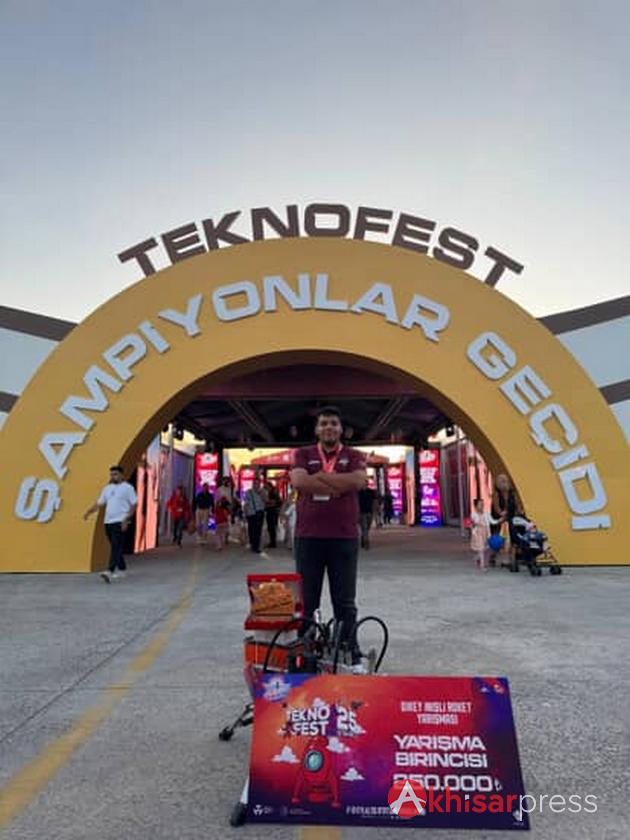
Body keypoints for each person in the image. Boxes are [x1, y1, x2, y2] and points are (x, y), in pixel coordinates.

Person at [290, 406, 367, 666]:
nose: (329, 427)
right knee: (306, 600)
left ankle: (348, 650)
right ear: (316, 429)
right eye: (323, 423)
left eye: (334, 423)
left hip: (344, 538)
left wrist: (320, 478)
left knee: (345, 601)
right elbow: (299, 482)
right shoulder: (303, 454)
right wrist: (338, 484)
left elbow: (358, 481)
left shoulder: (354, 455)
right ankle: (305, 650)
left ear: (341, 429)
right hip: (308, 538)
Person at [83, 465, 137, 583]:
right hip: (108, 521)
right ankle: (122, 569)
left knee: (116, 545)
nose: (113, 477)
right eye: (112, 475)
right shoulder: (107, 488)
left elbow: (134, 504)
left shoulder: (128, 488)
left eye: (115, 474)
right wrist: (88, 512)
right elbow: (99, 503)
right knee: (115, 546)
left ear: (121, 475)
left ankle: (110, 570)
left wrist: (126, 519)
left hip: (120, 521)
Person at [491, 474, 522, 567]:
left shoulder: (513, 493)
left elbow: (517, 505)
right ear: (497, 484)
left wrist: (519, 512)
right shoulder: (496, 494)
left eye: (506, 481)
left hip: (511, 518)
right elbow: (496, 507)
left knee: (512, 537)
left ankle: (511, 559)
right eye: (502, 482)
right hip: (499, 519)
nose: (504, 484)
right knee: (499, 539)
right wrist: (501, 514)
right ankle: (494, 556)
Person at [470, 499, 500, 571]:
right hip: (477, 533)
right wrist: (473, 524)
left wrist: (500, 520)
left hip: (485, 533)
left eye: (482, 504)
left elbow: (492, 522)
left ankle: (477, 558)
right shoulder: (473, 514)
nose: (482, 506)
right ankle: (482, 566)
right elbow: (473, 524)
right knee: (481, 549)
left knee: (484, 549)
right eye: (480, 504)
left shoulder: (487, 513)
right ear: (475, 506)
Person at [244, 476, 266, 554]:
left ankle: (256, 546)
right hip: (251, 513)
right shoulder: (248, 492)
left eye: (258, 483)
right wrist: (245, 513)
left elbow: (266, 501)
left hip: (260, 513)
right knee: (252, 530)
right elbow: (246, 504)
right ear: (253, 484)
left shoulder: (263, 492)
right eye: (255, 483)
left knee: (258, 530)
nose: (257, 485)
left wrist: (262, 495)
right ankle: (253, 544)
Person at [358, 485, 377, 549]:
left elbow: (375, 501)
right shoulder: (358, 492)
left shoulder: (371, 492)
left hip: (369, 512)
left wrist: (374, 510)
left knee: (367, 527)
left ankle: (363, 537)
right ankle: (366, 541)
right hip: (361, 512)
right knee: (364, 527)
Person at [264, 481, 282, 548]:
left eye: (266, 487)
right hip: (272, 512)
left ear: (270, 486)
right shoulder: (272, 492)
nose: (266, 488)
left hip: (272, 512)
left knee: (272, 527)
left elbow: (276, 502)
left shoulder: (273, 493)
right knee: (271, 527)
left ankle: (273, 543)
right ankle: (272, 542)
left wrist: (268, 502)